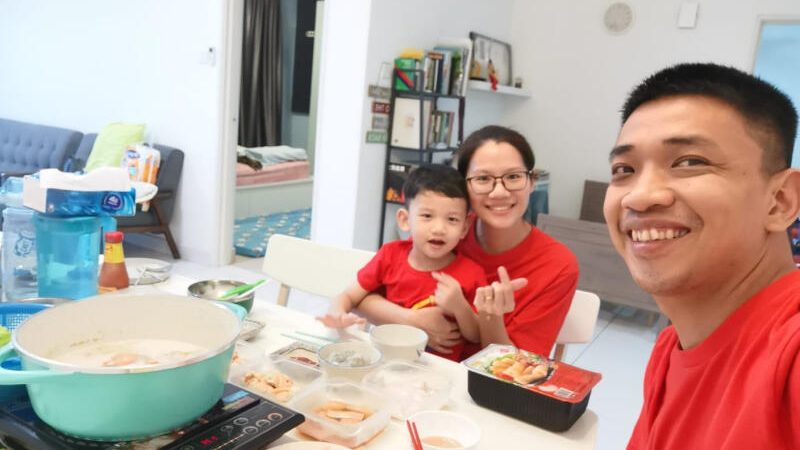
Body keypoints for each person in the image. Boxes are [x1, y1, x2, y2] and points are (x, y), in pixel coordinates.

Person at [604, 63, 800, 449]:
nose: (640, 196)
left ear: (780, 200)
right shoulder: (670, 348)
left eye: (690, 162)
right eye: (624, 169)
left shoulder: (789, 357)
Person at [360, 126, 579, 357]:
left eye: (513, 177)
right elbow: (361, 299)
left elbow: (517, 367)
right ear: (465, 187)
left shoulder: (557, 265)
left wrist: (490, 317)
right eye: (483, 178)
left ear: (532, 182)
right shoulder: (444, 233)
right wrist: (413, 320)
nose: (499, 192)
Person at [318, 165, 486, 361]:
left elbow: (476, 336)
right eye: (427, 216)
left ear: (464, 227)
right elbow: (348, 296)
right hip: (385, 361)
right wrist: (338, 313)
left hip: (438, 371)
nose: (439, 228)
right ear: (405, 220)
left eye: (452, 219)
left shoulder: (472, 273)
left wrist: (459, 306)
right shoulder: (390, 255)